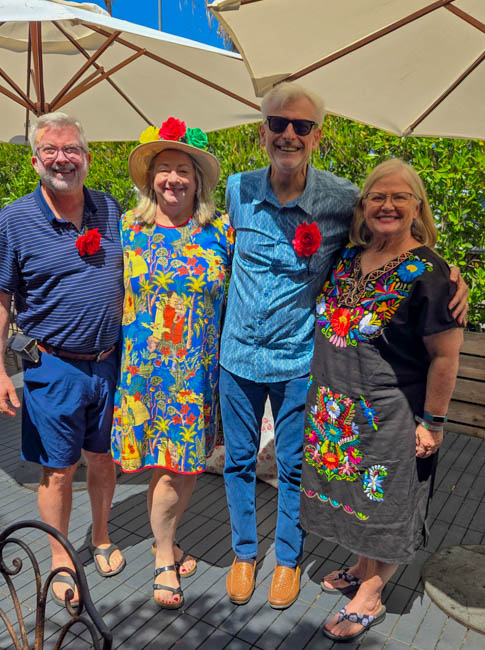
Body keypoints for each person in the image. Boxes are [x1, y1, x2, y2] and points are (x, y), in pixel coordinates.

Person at [219, 82, 468, 610]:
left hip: (297, 361)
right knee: (239, 461)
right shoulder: (237, 189)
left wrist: (450, 274)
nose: (289, 134)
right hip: (239, 355)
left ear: (317, 136)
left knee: (294, 467)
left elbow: (400, 235)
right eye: (278, 123)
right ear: (262, 131)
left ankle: (288, 560)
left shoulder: (340, 197)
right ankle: (244, 553)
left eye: (302, 125)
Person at [300, 159, 464, 642]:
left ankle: (370, 595)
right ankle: (361, 568)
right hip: (338, 413)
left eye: (399, 197)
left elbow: (445, 357)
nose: (387, 205)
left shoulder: (431, 274)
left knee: (388, 505)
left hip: (393, 416)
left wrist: (433, 422)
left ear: (417, 207)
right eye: (377, 196)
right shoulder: (348, 258)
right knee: (360, 501)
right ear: (363, 205)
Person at [0, 112, 125, 606]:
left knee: (104, 457)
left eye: (71, 149)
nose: (61, 159)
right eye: (49, 150)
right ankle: (59, 557)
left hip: (111, 362)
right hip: (52, 366)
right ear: (34, 161)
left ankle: (101, 536)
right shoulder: (14, 219)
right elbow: (2, 298)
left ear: (87, 158)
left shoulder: (110, 208)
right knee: (58, 469)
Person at [110, 118, 234, 609]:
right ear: (150, 178)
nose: (173, 179)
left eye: (183, 170)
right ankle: (164, 555)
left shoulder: (221, 229)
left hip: (196, 375)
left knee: (184, 469)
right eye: (164, 169)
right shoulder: (127, 228)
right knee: (164, 469)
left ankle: (168, 541)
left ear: (197, 180)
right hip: (143, 374)